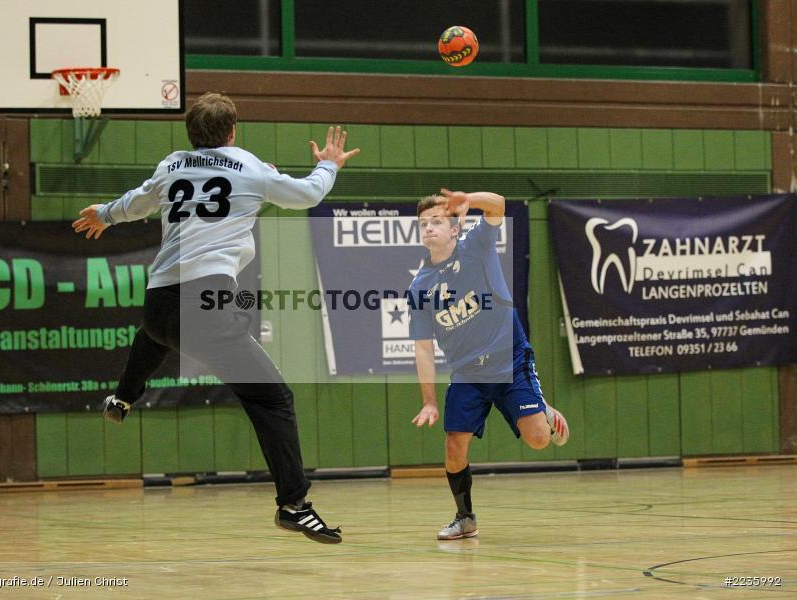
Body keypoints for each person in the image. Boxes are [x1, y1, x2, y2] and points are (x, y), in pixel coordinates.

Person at [72, 92, 359, 544]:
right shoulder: (246, 166)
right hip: (204, 302)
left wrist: (105, 215)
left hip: (159, 300)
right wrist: (329, 165)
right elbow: (306, 194)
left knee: (156, 334)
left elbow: (139, 201)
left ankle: (122, 398)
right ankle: (294, 506)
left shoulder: (172, 166)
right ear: (231, 132)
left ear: (191, 134)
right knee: (275, 399)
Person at [408, 189, 569, 541]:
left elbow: (499, 204)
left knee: (539, 440)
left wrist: (472, 199)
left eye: (438, 220)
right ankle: (465, 518)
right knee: (454, 447)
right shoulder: (420, 286)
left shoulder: (477, 244)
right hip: (467, 373)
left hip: (508, 359)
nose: (429, 228)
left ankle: (541, 411)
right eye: (424, 223)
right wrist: (429, 400)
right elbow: (422, 348)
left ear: (454, 227)